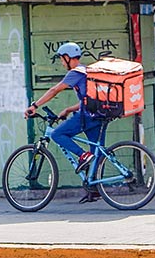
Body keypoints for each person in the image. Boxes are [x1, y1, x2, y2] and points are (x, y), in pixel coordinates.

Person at [24, 42, 104, 203]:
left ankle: (82, 155)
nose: (61, 62)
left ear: (68, 57)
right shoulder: (86, 70)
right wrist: (68, 109)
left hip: (87, 116)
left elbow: (54, 90)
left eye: (62, 59)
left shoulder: (75, 73)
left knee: (58, 134)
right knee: (97, 152)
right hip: (99, 114)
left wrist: (34, 106)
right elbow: (89, 100)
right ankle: (94, 188)